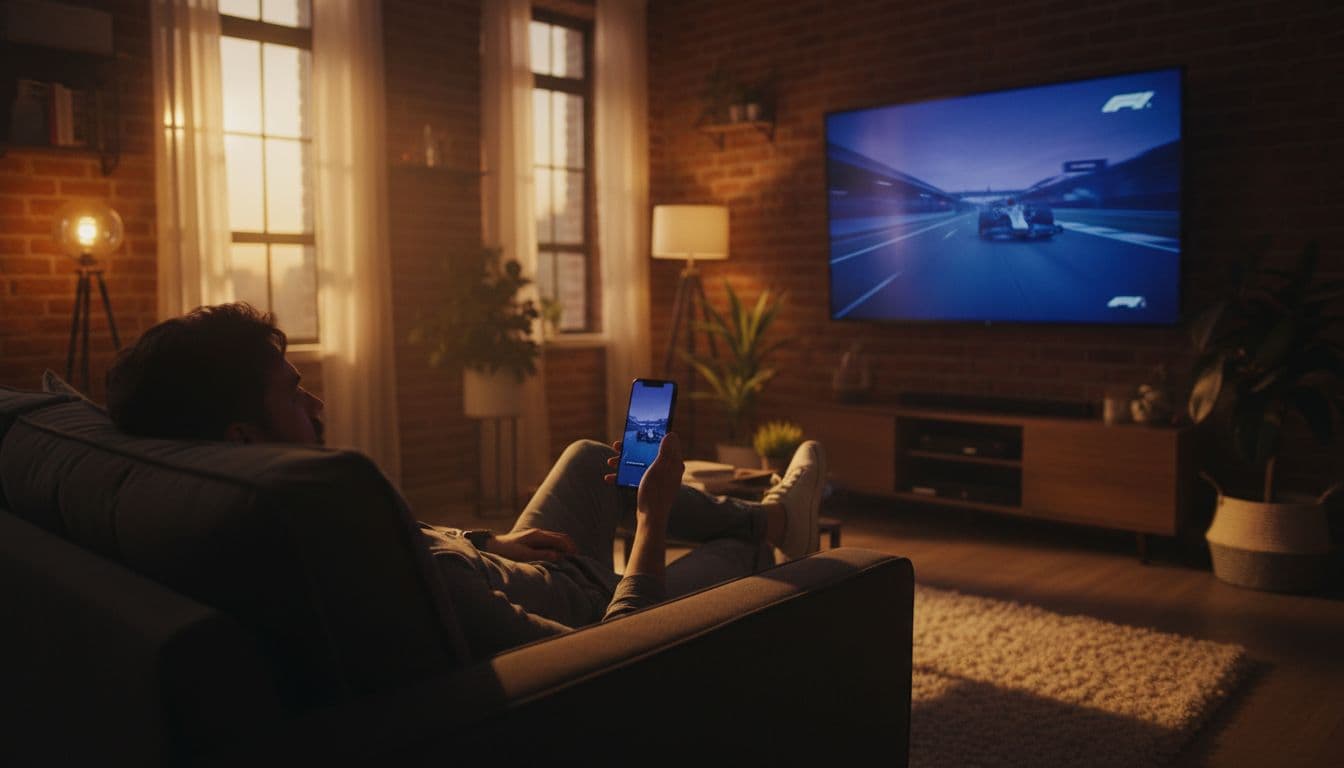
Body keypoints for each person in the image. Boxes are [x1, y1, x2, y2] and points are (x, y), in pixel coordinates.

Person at [105, 303, 827, 659]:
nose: (318, 404)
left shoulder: (280, 507)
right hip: (593, 610)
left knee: (584, 457)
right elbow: (615, 653)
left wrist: (492, 540)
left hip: (524, 561)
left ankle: (769, 518)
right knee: (738, 561)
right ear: (241, 434)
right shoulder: (397, 579)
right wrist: (650, 523)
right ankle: (765, 532)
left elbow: (422, 545)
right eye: (295, 394)